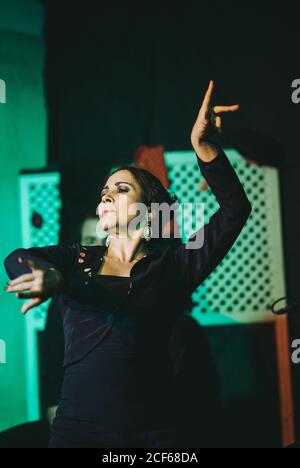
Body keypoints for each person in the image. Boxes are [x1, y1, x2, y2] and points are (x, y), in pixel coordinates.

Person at [4, 81, 251, 448]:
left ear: (150, 211)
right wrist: (49, 276)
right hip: (77, 436)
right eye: (105, 192)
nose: (107, 196)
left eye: (121, 189)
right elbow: (16, 258)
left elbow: (234, 212)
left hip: (152, 438)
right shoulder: (77, 259)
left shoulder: (175, 266)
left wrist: (205, 147)